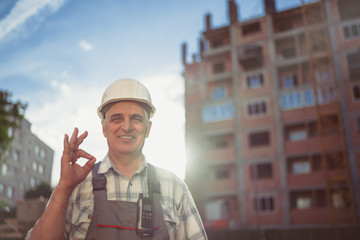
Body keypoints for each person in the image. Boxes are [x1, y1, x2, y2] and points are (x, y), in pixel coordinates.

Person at [26, 78, 207, 240]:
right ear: (104, 128)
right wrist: (64, 187)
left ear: (148, 128)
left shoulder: (175, 187)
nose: (126, 127)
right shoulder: (75, 187)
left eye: (136, 118)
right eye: (116, 119)